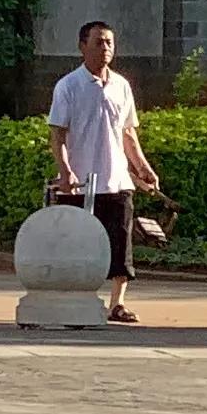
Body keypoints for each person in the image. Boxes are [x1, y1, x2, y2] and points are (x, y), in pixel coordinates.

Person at [45, 20, 163, 326]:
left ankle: (117, 304)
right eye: (98, 42)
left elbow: (128, 133)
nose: (105, 48)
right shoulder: (68, 86)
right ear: (82, 46)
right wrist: (65, 172)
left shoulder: (121, 86)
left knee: (120, 242)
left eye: (109, 42)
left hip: (117, 180)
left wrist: (143, 168)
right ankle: (72, 300)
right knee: (76, 243)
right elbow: (57, 134)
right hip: (80, 183)